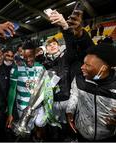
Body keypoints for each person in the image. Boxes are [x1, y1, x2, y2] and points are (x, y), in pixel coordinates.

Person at [44, 9, 94, 141]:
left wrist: (65, 28)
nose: (52, 46)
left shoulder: (65, 57)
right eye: (49, 45)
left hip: (67, 99)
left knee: (69, 125)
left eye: (54, 44)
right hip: (52, 101)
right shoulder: (43, 63)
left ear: (59, 46)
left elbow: (73, 48)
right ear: (46, 49)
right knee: (54, 126)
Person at [66, 43, 116, 141]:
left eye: (87, 65)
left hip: (108, 137)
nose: (82, 67)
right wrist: (70, 111)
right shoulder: (79, 79)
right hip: (82, 134)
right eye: (83, 63)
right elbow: (74, 94)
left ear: (103, 68)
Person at [6, 40, 52, 141]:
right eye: (25, 57)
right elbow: (12, 91)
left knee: (40, 124)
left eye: (30, 56)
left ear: (35, 53)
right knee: (25, 132)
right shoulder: (16, 69)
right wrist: (10, 113)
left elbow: (45, 88)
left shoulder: (41, 68)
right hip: (23, 107)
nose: (27, 60)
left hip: (38, 107)